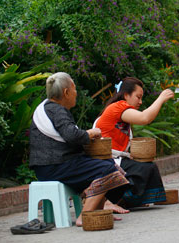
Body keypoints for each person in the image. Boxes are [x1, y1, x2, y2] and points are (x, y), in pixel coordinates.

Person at [29, 72, 129, 227]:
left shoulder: (50, 108)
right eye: (74, 89)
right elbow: (72, 135)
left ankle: (98, 210)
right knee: (107, 169)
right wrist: (90, 133)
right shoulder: (57, 110)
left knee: (108, 164)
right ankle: (85, 215)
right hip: (55, 166)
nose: (76, 93)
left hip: (50, 166)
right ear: (66, 92)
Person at [95, 77, 174, 210]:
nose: (140, 101)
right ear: (126, 95)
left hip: (114, 158)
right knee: (145, 168)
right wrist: (160, 99)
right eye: (138, 97)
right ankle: (113, 200)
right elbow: (144, 118)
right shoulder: (118, 106)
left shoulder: (119, 109)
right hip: (107, 160)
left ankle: (131, 200)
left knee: (147, 166)